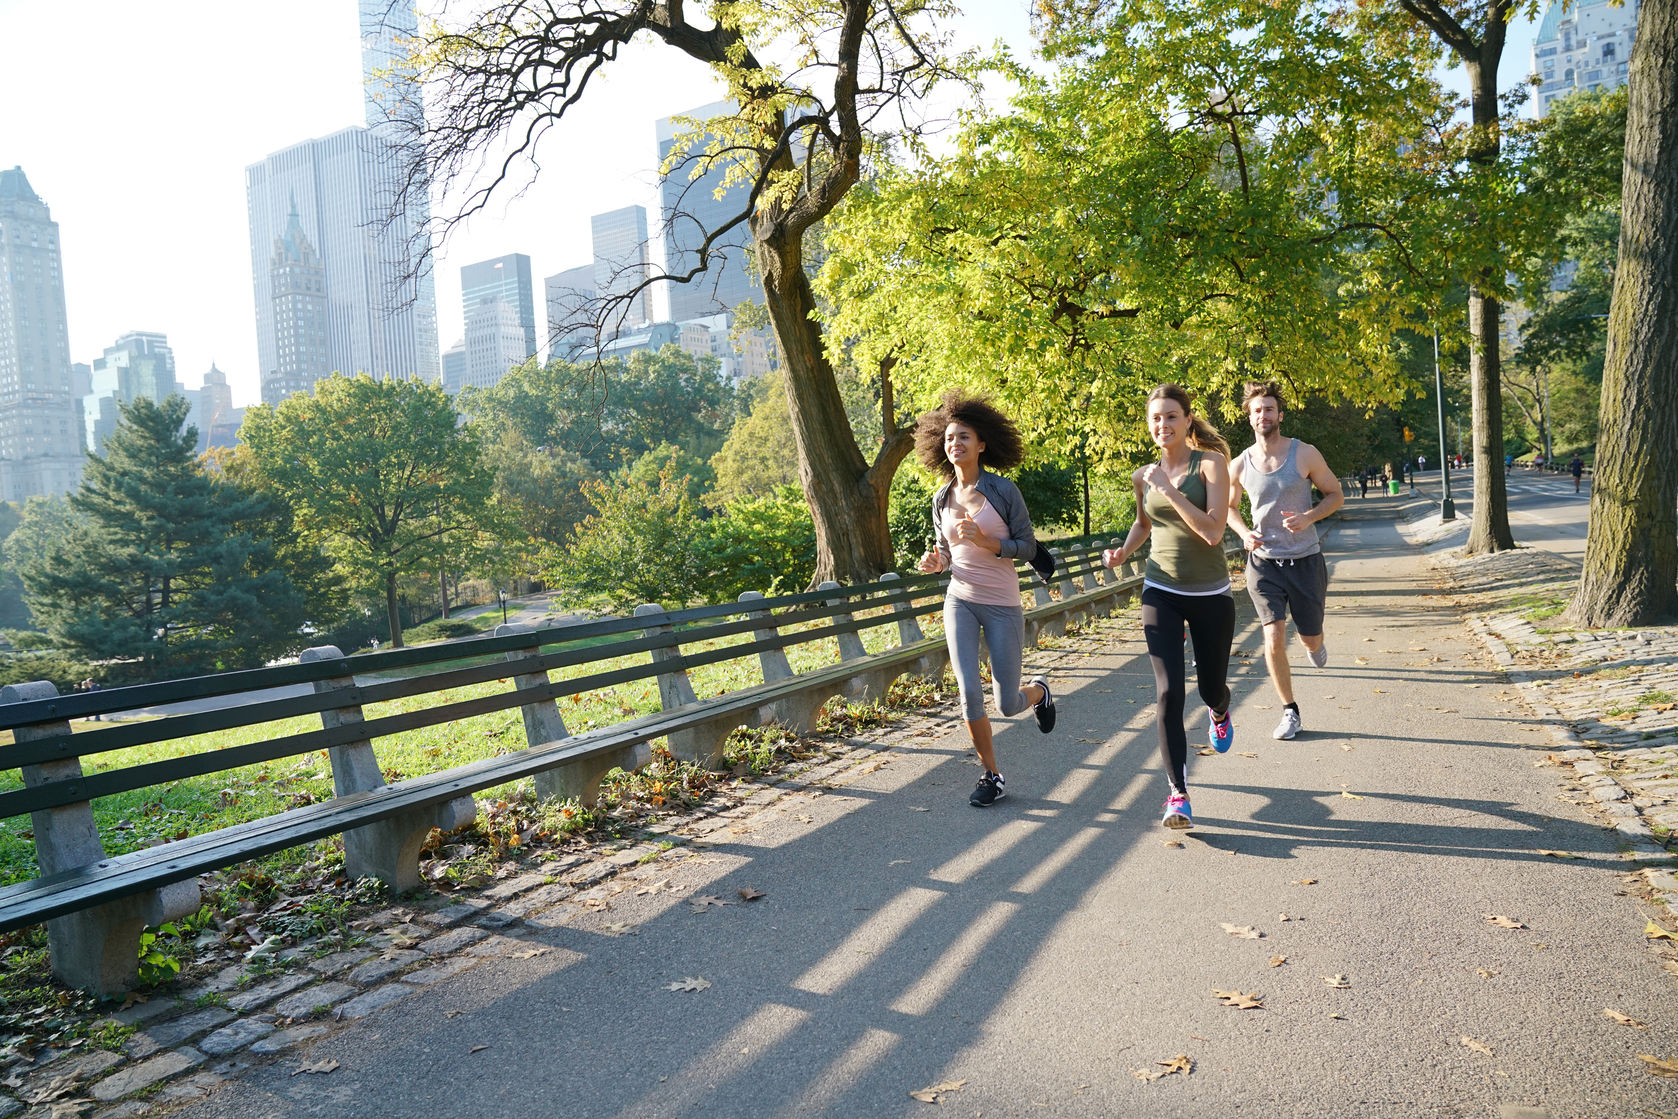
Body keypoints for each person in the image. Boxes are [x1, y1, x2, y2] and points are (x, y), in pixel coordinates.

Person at [1102, 384, 1235, 830]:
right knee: (1167, 692)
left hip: (1211, 593)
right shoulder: (1143, 476)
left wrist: (1172, 491)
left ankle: (1220, 710)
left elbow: (1214, 532)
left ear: (1188, 420)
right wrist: (1122, 552)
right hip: (1160, 588)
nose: (1163, 425)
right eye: (1156, 418)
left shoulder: (1211, 465)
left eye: (1171, 416)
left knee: (1209, 687)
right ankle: (1178, 795)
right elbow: (1143, 523)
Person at [915, 393, 1055, 808]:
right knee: (968, 693)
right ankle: (991, 775)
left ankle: (1039, 692)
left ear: (981, 445)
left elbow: (1028, 547)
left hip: (1001, 603)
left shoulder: (1003, 491)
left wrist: (988, 541)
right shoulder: (941, 499)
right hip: (959, 598)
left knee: (1007, 704)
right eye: (949, 439)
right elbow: (945, 552)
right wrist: (934, 562)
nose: (954, 444)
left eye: (964, 437)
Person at [1227, 382, 1345, 741]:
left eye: (1269, 409)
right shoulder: (1240, 464)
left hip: (1306, 560)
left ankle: (1316, 643)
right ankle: (1290, 711)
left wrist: (1309, 517)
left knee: (1310, 639)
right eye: (1257, 410)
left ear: (1280, 414)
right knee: (1274, 639)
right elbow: (1230, 508)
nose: (1263, 415)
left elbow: (1335, 494)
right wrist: (1244, 534)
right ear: (1249, 418)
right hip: (1263, 564)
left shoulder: (1304, 454)